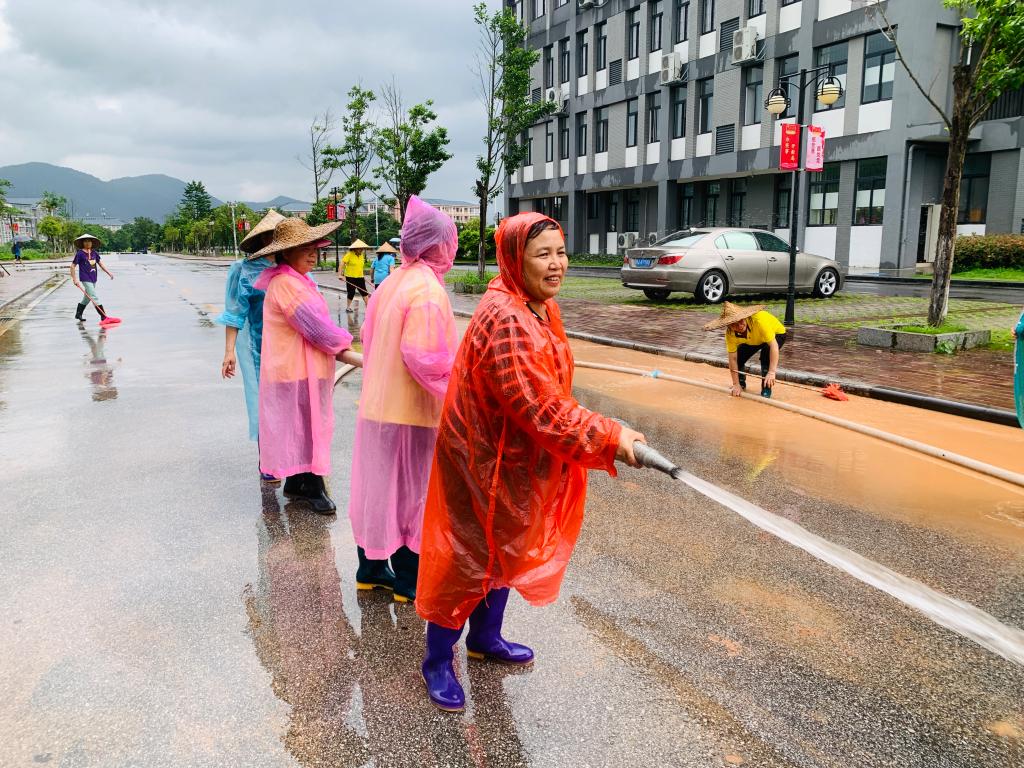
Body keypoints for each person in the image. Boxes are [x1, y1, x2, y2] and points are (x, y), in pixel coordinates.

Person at [414, 212, 646, 712]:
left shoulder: (537, 305)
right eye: (543, 254)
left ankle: (485, 638)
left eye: (561, 252)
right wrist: (609, 437)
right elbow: (541, 407)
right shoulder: (508, 318)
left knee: (504, 550)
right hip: (480, 461)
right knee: (466, 558)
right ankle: (436, 660)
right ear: (515, 259)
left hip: (514, 459)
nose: (557, 263)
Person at [348, 197, 459, 603]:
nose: (451, 249)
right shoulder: (428, 290)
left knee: (379, 491)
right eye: (449, 242)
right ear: (437, 245)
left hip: (378, 408)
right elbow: (423, 357)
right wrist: (458, 386)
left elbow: (368, 337)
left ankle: (371, 568)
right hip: (413, 413)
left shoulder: (393, 281)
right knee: (416, 495)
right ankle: (409, 580)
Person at [251, 217, 363, 514]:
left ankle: (295, 483)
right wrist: (346, 342)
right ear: (286, 252)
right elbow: (316, 329)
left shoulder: (295, 280)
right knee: (309, 427)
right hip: (296, 370)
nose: (314, 254)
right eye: (305, 249)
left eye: (315, 248)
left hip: (298, 369)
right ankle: (314, 488)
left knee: (299, 426)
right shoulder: (286, 283)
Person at [217, 209, 285, 483]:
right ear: (263, 239)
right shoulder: (244, 270)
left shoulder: (292, 268)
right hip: (260, 347)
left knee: (290, 403)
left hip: (291, 348)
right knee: (265, 402)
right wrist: (229, 351)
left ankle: (292, 457)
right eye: (275, 236)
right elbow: (235, 313)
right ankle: (267, 459)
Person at [703, 302, 787, 398]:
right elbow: (733, 359)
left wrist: (772, 372)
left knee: (766, 355)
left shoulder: (759, 322)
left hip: (776, 333)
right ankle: (740, 384)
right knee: (739, 357)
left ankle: (766, 388)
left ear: (744, 317)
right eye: (734, 324)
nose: (739, 326)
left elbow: (773, 346)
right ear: (729, 326)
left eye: (740, 321)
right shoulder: (730, 334)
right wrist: (735, 384)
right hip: (754, 339)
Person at [70, 234, 114, 322]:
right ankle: (103, 316)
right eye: (85, 241)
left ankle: (78, 314)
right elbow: (72, 266)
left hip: (93, 278)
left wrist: (109, 273)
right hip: (85, 278)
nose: (88, 243)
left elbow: (100, 264)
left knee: (87, 298)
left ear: (92, 243)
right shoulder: (80, 253)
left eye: (89, 241)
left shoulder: (94, 253)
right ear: (82, 243)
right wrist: (75, 279)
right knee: (94, 296)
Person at [339, 239, 370, 313]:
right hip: (350, 277)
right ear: (355, 248)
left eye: (362, 248)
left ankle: (368, 308)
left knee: (364, 292)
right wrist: (340, 274)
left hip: (360, 277)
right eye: (360, 248)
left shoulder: (361, 255)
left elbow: (360, 267)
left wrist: (363, 275)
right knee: (351, 292)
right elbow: (342, 264)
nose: (361, 250)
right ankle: (348, 307)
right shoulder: (349, 254)